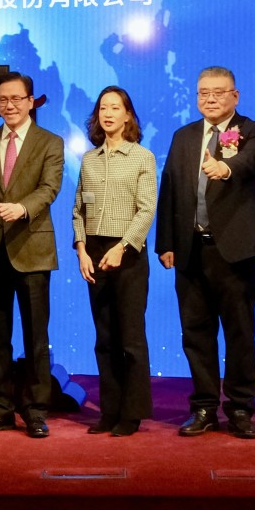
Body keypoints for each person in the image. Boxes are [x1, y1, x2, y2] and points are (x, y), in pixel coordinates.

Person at [155, 66, 255, 439]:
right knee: (196, 333)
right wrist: (166, 242)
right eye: (203, 93)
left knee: (240, 332)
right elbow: (170, 188)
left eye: (218, 93)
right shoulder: (185, 136)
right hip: (190, 250)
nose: (210, 99)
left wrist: (226, 166)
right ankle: (204, 406)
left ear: (235, 96)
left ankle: (239, 407)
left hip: (234, 252)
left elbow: (254, 160)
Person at [0, 71, 64, 438]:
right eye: (2, 100)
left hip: (33, 250)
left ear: (30, 101)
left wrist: (22, 208)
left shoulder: (50, 142)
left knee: (35, 338)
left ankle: (36, 411)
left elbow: (49, 188)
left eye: (15, 99)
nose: (9, 105)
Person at [72, 86, 156, 437]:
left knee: (130, 338)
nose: (108, 113)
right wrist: (80, 248)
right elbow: (79, 207)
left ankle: (131, 414)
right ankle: (109, 410)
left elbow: (146, 209)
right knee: (104, 338)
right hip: (93, 251)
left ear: (127, 116)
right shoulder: (89, 159)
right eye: (103, 108)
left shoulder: (142, 157)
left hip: (128, 254)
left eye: (115, 107)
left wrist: (122, 246)